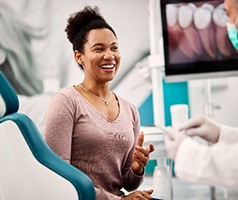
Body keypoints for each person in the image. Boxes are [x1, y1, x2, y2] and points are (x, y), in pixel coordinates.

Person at [44, 6, 154, 200]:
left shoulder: (130, 110)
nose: (110, 55)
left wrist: (137, 167)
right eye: (99, 49)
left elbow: (127, 182)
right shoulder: (65, 103)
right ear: (79, 56)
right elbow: (59, 179)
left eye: (114, 47)